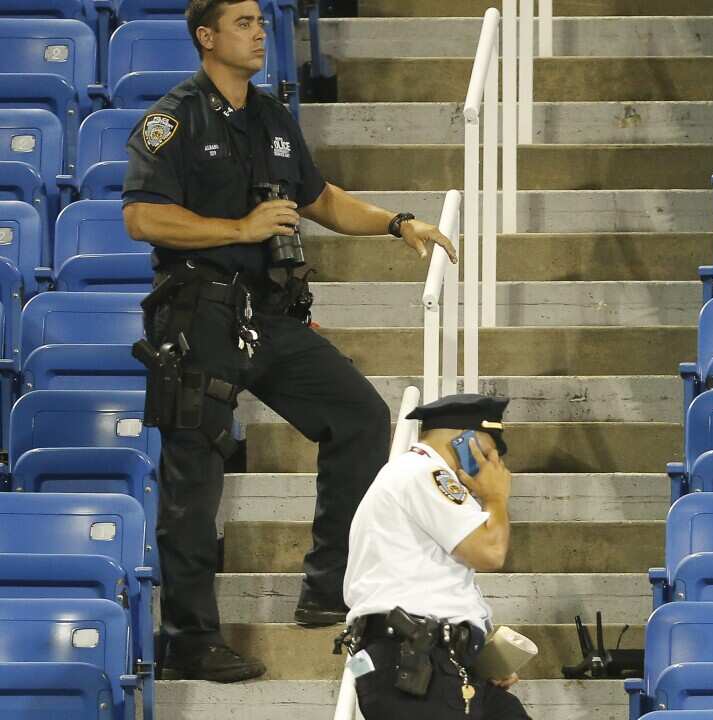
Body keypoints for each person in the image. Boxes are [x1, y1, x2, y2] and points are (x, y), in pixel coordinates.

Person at [122, 0, 458, 681]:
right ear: (206, 37)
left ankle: (327, 588)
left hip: (268, 316)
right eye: (242, 23)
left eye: (258, 21)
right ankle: (189, 639)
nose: (257, 33)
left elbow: (320, 197)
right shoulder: (173, 118)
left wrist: (397, 224)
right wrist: (240, 229)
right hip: (199, 314)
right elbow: (141, 216)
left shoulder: (272, 115)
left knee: (359, 415)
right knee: (195, 479)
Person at [341, 394, 532, 720]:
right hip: (416, 665)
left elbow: (444, 584)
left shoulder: (416, 476)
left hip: (441, 663)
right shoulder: (426, 473)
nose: (495, 464)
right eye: (488, 452)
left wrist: (483, 654)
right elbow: (490, 553)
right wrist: (496, 498)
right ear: (465, 443)